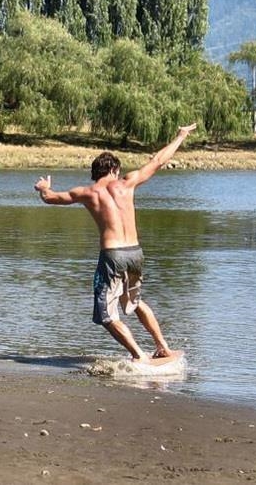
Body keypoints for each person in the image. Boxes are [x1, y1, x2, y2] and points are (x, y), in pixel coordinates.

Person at [33, 124, 197, 363]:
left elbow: (50, 198)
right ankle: (163, 347)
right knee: (136, 302)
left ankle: (138, 355)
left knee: (106, 315)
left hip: (112, 255)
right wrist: (181, 136)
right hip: (134, 252)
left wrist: (43, 188)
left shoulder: (87, 193)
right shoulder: (127, 183)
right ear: (114, 169)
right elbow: (158, 160)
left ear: (97, 172)